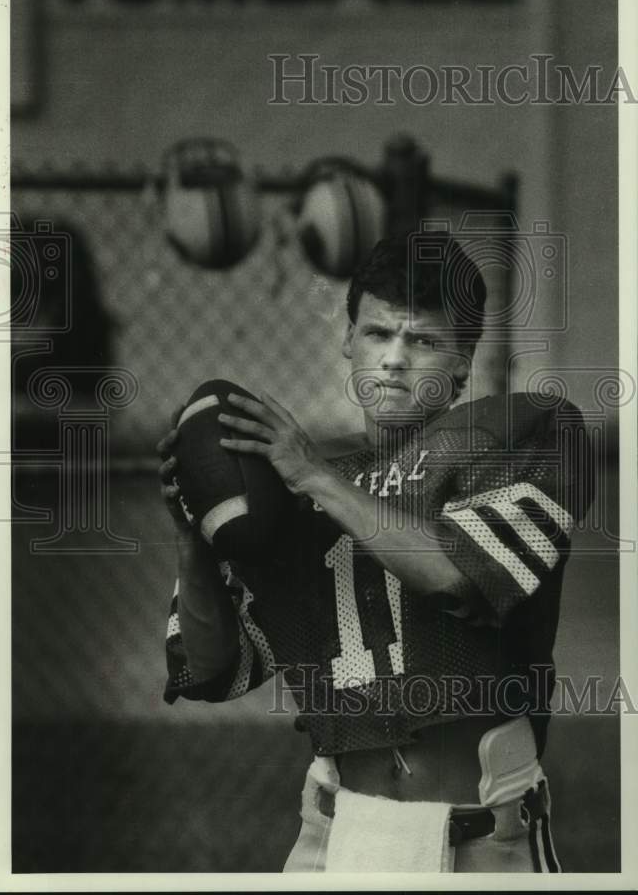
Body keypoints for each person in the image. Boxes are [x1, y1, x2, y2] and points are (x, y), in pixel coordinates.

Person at [157, 232, 592, 873]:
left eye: (423, 341)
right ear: (348, 340)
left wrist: (313, 478)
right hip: (333, 835)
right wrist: (192, 537)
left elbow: (456, 575)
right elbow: (213, 671)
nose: (393, 361)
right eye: (377, 333)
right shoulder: (297, 494)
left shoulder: (523, 437)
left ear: (464, 363)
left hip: (478, 840)